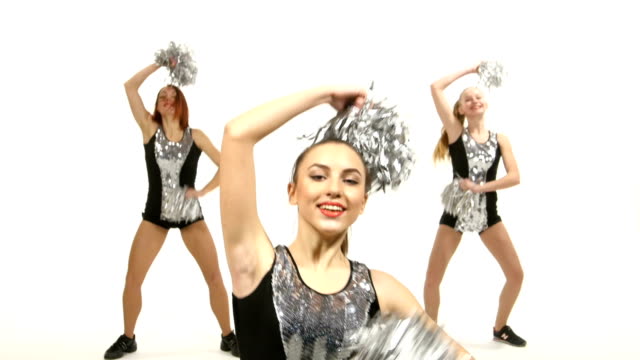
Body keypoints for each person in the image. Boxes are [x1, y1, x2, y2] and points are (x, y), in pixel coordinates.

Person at [220, 86, 472, 359]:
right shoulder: (255, 266)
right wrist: (325, 95)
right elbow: (237, 135)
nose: (335, 189)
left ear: (362, 202)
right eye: (318, 176)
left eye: (350, 180)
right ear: (293, 192)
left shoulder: (383, 290)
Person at [103, 63, 239, 359]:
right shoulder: (149, 129)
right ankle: (128, 338)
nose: (166, 99)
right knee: (133, 278)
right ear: (156, 106)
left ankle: (228, 336)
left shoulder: (197, 135)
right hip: (155, 217)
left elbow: (228, 166)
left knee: (215, 276)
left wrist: (203, 191)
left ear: (180, 104)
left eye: (172, 96)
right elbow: (129, 86)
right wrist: (160, 64)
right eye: (161, 96)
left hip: (191, 216)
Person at [423, 64, 526, 346]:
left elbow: (514, 176)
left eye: (478, 96)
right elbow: (435, 87)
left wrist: (480, 187)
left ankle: (500, 327)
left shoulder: (499, 139)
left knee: (516, 274)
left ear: (486, 103)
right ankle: (429, 333)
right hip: (455, 214)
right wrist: (469, 70)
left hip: (487, 215)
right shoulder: (456, 133)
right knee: (433, 279)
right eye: (467, 99)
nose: (474, 100)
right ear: (461, 109)